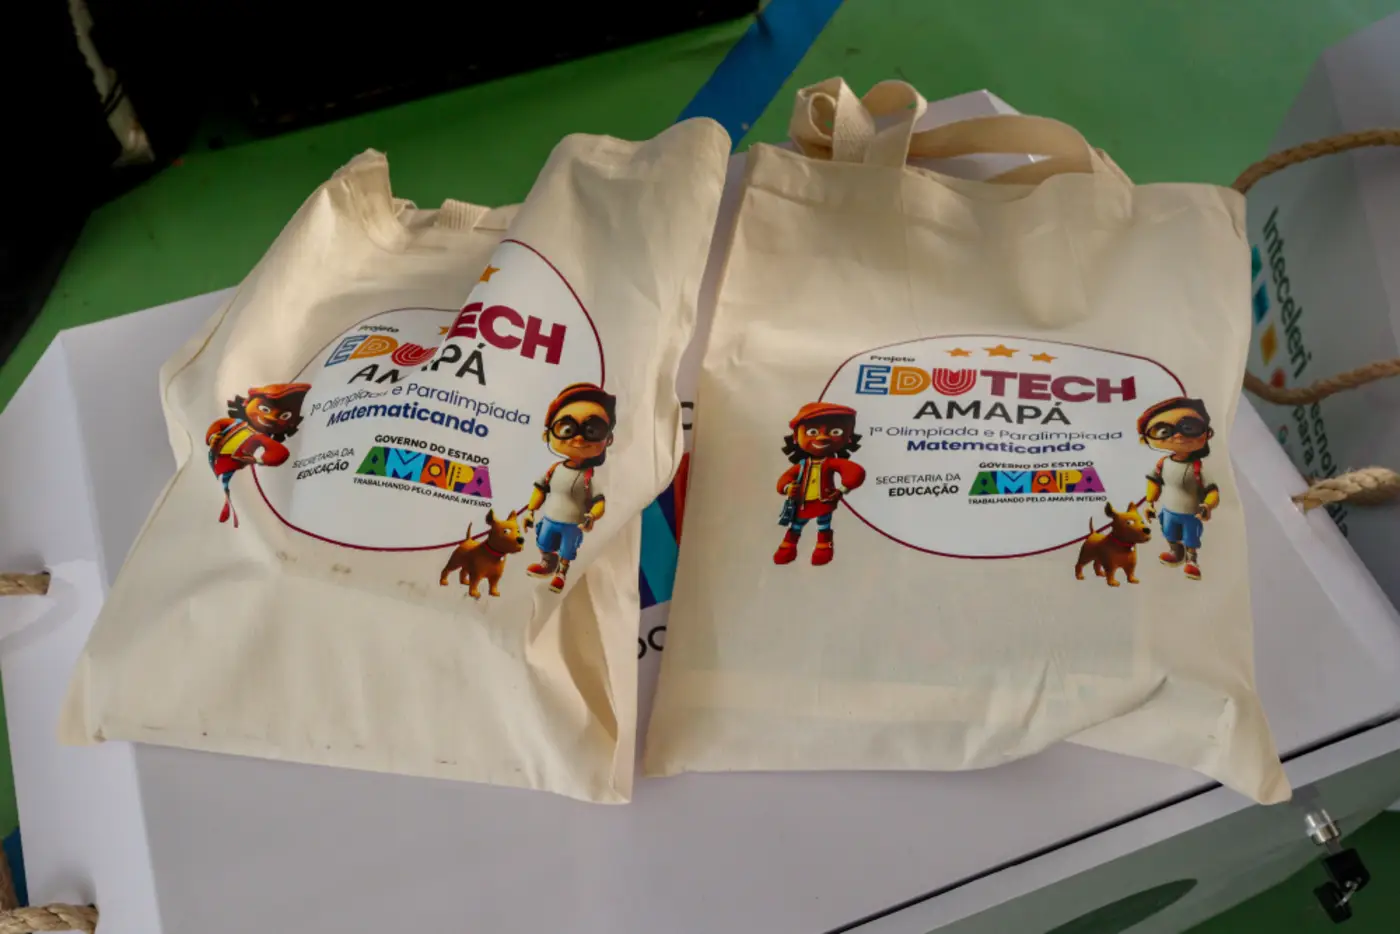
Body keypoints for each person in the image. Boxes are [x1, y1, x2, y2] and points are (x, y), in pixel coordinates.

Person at [526, 382, 616, 592]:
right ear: (548, 435)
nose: (579, 437)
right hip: (550, 517)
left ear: (609, 439)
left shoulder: (590, 477)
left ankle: (562, 572)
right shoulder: (553, 470)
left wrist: (592, 516)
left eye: (592, 430)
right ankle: (547, 562)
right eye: (567, 429)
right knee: (543, 542)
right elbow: (540, 489)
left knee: (567, 550)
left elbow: (599, 502)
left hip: (573, 523)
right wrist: (531, 510)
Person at [774, 401, 865, 566]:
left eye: (835, 431)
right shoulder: (802, 466)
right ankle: (788, 548)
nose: (822, 437)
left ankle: (823, 548)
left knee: (823, 526)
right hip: (802, 504)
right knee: (796, 526)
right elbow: (784, 479)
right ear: (796, 437)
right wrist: (788, 488)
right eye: (812, 432)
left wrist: (842, 489)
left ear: (848, 436)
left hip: (824, 502)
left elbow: (854, 471)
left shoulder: (830, 463)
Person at [1139, 397, 1220, 581]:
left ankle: (1191, 560)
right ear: (1146, 439)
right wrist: (1150, 502)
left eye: (1189, 427)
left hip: (1191, 512)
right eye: (1162, 431)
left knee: (1191, 538)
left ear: (1207, 433)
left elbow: (1212, 490)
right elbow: (1154, 482)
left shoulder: (1199, 467)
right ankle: (1175, 552)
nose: (1177, 436)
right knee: (1169, 532)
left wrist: (1207, 505)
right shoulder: (1163, 463)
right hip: (1169, 510)